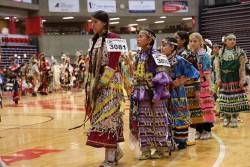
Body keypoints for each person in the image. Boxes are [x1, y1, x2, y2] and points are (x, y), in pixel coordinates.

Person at [84, 11, 124, 167]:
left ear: (105, 23)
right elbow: (92, 64)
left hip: (111, 83)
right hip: (97, 82)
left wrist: (102, 82)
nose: (92, 25)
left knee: (108, 118)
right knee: (100, 118)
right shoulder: (94, 40)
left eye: (95, 22)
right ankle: (116, 151)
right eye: (91, 22)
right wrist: (91, 83)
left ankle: (110, 158)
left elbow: (113, 64)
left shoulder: (115, 39)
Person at [131, 29, 174, 160]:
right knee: (144, 122)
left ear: (149, 40)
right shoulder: (138, 56)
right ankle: (146, 150)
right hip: (141, 93)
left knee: (158, 121)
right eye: (137, 37)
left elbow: (163, 75)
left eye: (141, 37)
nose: (138, 39)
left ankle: (160, 149)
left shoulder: (157, 55)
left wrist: (158, 94)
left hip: (155, 93)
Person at [161, 37, 199, 149]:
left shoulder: (179, 60)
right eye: (161, 45)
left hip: (177, 94)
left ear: (172, 47)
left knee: (179, 115)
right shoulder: (160, 60)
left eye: (165, 45)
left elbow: (194, 72)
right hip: (164, 93)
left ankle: (181, 141)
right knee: (166, 115)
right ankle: (168, 140)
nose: (162, 48)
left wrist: (181, 81)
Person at [215, 33, 250, 128]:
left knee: (235, 99)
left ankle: (234, 117)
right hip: (224, 78)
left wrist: (242, 78)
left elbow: (242, 67)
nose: (232, 41)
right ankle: (226, 117)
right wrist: (218, 78)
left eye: (234, 39)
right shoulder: (220, 52)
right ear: (225, 41)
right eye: (230, 39)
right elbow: (217, 66)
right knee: (224, 99)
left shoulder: (240, 52)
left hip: (235, 77)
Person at [189, 32, 215, 140]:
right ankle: (199, 129)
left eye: (195, 41)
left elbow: (207, 71)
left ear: (201, 42)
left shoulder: (204, 55)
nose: (192, 43)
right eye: (191, 41)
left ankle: (207, 129)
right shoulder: (190, 55)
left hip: (203, 84)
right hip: (193, 83)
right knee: (196, 108)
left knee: (205, 107)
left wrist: (209, 85)